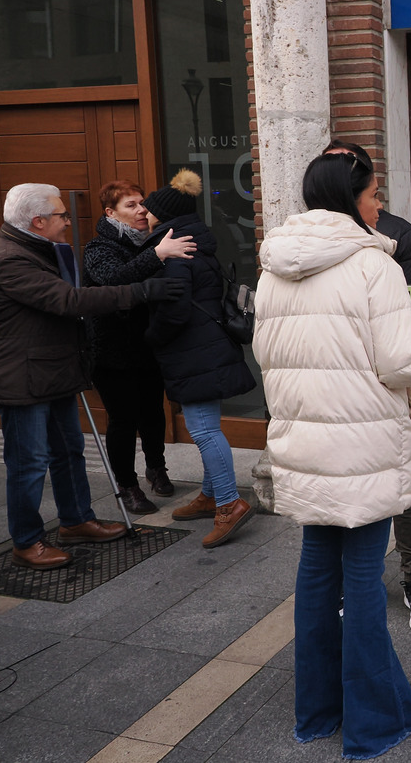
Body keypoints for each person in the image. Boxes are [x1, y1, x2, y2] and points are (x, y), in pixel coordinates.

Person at [253, 152, 411, 758]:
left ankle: (317, 712)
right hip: (362, 443)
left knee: (317, 572)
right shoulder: (373, 266)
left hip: (304, 439)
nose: (379, 205)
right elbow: (400, 363)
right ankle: (376, 722)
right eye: (372, 194)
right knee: (362, 578)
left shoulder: (274, 265)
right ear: (349, 197)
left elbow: (265, 353)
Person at [0, 183, 184, 570]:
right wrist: (140, 290)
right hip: (21, 378)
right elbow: (69, 301)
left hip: (53, 371)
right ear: (38, 221)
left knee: (69, 451)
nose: (68, 221)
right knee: (29, 463)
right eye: (62, 215)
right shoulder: (9, 259)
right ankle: (26, 542)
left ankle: (76, 521)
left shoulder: (42, 250)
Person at [322, 139, 411, 632]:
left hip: (388, 389)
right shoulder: (307, 244)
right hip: (332, 395)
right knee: (342, 496)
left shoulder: (397, 239)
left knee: (402, 491)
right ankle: (351, 583)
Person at [142, 168, 257, 548]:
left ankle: (228, 503)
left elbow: (174, 312)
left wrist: (151, 338)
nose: (145, 212)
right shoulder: (197, 242)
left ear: (167, 215)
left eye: (151, 209)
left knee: (204, 428)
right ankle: (211, 493)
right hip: (209, 347)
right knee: (206, 422)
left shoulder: (177, 251)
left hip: (194, 351)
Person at [83, 180, 197, 513]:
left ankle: (156, 468)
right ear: (110, 212)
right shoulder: (99, 248)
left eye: (142, 203)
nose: (141, 210)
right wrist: (157, 255)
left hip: (148, 344)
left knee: (152, 413)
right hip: (111, 352)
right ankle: (127, 485)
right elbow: (114, 280)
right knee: (122, 420)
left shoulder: (150, 240)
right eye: (130, 205)